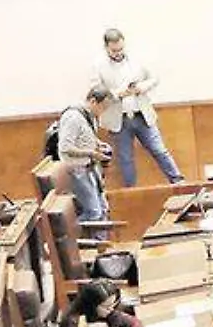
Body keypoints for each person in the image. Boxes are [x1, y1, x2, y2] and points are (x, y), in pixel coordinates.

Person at [91, 28, 184, 188]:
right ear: (106, 47)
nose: (118, 53)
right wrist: (119, 93)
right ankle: (131, 193)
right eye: (114, 50)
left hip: (142, 115)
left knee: (159, 150)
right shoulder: (98, 66)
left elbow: (154, 78)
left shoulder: (137, 59)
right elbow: (96, 92)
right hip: (118, 120)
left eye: (121, 49)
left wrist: (141, 87)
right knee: (126, 159)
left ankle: (179, 182)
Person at [56, 87, 113, 221]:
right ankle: (73, 235)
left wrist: (98, 143)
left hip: (90, 168)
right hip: (77, 171)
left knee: (103, 209)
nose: (104, 111)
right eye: (103, 107)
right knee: (93, 213)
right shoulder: (73, 117)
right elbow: (65, 147)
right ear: (93, 101)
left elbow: (83, 137)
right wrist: (92, 153)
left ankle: (100, 242)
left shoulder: (89, 116)